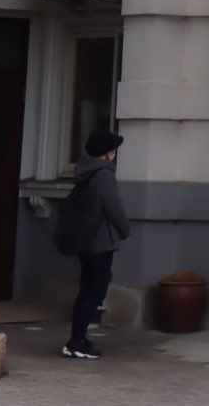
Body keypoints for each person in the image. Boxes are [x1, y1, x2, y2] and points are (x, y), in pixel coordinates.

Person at [59, 129, 130, 360]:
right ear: (107, 153)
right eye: (113, 150)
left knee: (88, 290)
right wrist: (124, 229)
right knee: (95, 291)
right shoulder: (103, 175)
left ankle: (78, 339)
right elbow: (114, 206)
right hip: (100, 241)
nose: (115, 154)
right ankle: (76, 342)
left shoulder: (87, 172)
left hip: (87, 240)